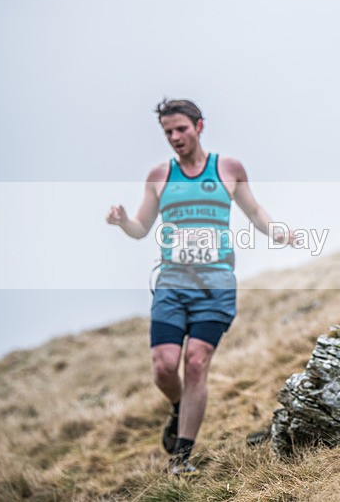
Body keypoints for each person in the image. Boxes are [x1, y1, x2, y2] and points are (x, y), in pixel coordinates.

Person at [106, 99, 294, 475]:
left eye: (181, 129)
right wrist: (124, 220)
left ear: (199, 126)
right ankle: (180, 407)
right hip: (171, 285)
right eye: (168, 132)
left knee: (195, 364)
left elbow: (254, 211)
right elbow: (141, 228)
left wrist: (278, 230)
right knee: (164, 368)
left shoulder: (227, 168)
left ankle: (181, 459)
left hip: (216, 287)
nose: (175, 137)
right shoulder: (159, 175)